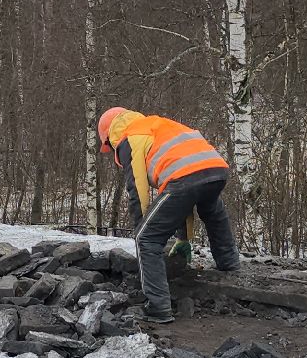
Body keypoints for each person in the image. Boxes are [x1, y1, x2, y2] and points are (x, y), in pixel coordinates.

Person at [98, 107, 241, 323]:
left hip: (185, 176)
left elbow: (137, 190)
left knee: (146, 239)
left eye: (109, 147)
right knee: (212, 211)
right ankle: (229, 266)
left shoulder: (129, 138)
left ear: (110, 137)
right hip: (216, 168)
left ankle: (158, 307)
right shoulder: (158, 125)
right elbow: (183, 195)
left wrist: (143, 231)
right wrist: (183, 238)